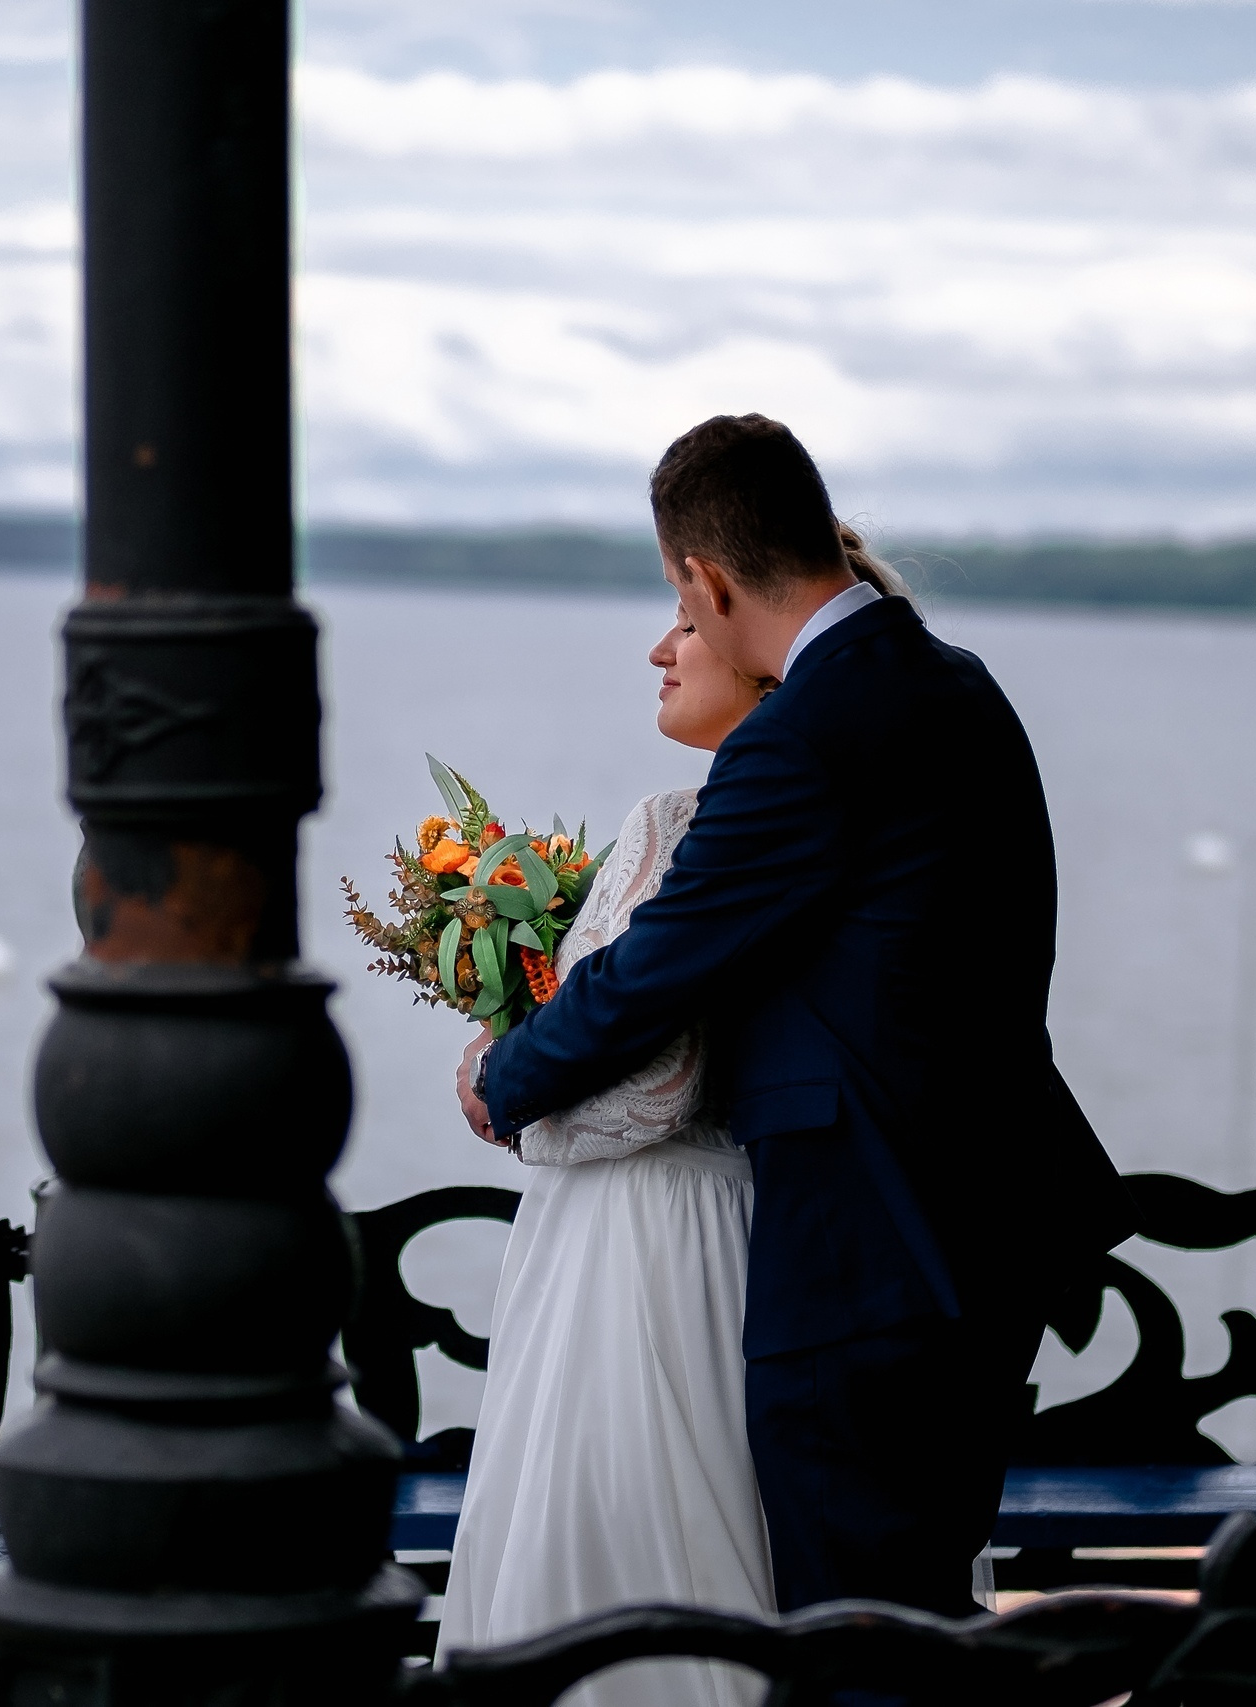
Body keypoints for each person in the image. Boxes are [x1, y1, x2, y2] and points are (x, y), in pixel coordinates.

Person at [458, 414, 1135, 1623]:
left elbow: (656, 970)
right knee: (914, 1616)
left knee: (856, 1635)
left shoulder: (806, 736)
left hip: (865, 1253)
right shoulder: (957, 686)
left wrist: (502, 1080)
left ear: (701, 579)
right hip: (976, 1232)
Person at [433, 565, 793, 1707]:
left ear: (748, 636)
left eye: (685, 623)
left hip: (641, 1246)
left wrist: (504, 1091)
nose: (660, 650)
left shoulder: (676, 822)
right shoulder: (822, 828)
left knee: (604, 1553)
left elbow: (659, 1088)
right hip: (751, 1225)